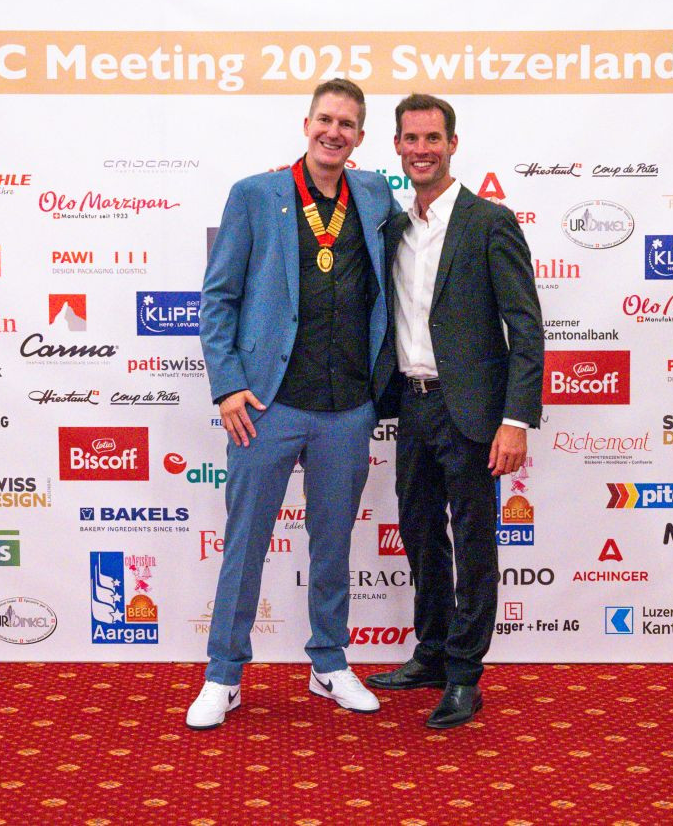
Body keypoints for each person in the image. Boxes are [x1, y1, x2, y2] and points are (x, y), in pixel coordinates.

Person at [188, 79, 398, 730]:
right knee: (245, 544)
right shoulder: (256, 195)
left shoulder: (374, 195)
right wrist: (227, 386)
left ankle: (328, 661)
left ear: (360, 137)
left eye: (347, 124)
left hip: (348, 406)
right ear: (307, 124)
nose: (334, 132)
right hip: (266, 405)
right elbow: (218, 297)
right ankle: (223, 674)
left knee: (333, 545)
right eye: (325, 120)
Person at [366, 93, 544, 729]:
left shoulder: (489, 221)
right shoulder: (392, 227)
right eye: (411, 138)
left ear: (452, 144)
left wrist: (515, 420)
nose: (422, 149)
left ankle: (466, 673)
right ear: (396, 145)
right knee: (419, 535)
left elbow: (526, 326)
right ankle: (433, 653)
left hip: (471, 411)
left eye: (432, 138)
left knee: (472, 542)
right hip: (411, 406)